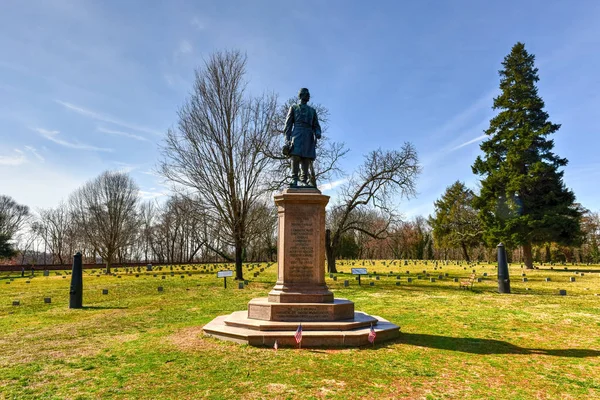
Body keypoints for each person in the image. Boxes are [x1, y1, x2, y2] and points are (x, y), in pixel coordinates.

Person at [283, 88, 321, 187]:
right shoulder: (294, 107)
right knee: (295, 156)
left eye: (308, 94)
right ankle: (294, 179)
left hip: (308, 135)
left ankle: (303, 180)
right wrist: (287, 139)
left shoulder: (312, 111)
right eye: (305, 94)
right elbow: (288, 125)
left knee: (306, 157)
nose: (307, 95)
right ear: (300, 95)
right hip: (297, 133)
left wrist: (317, 132)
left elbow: (316, 125)